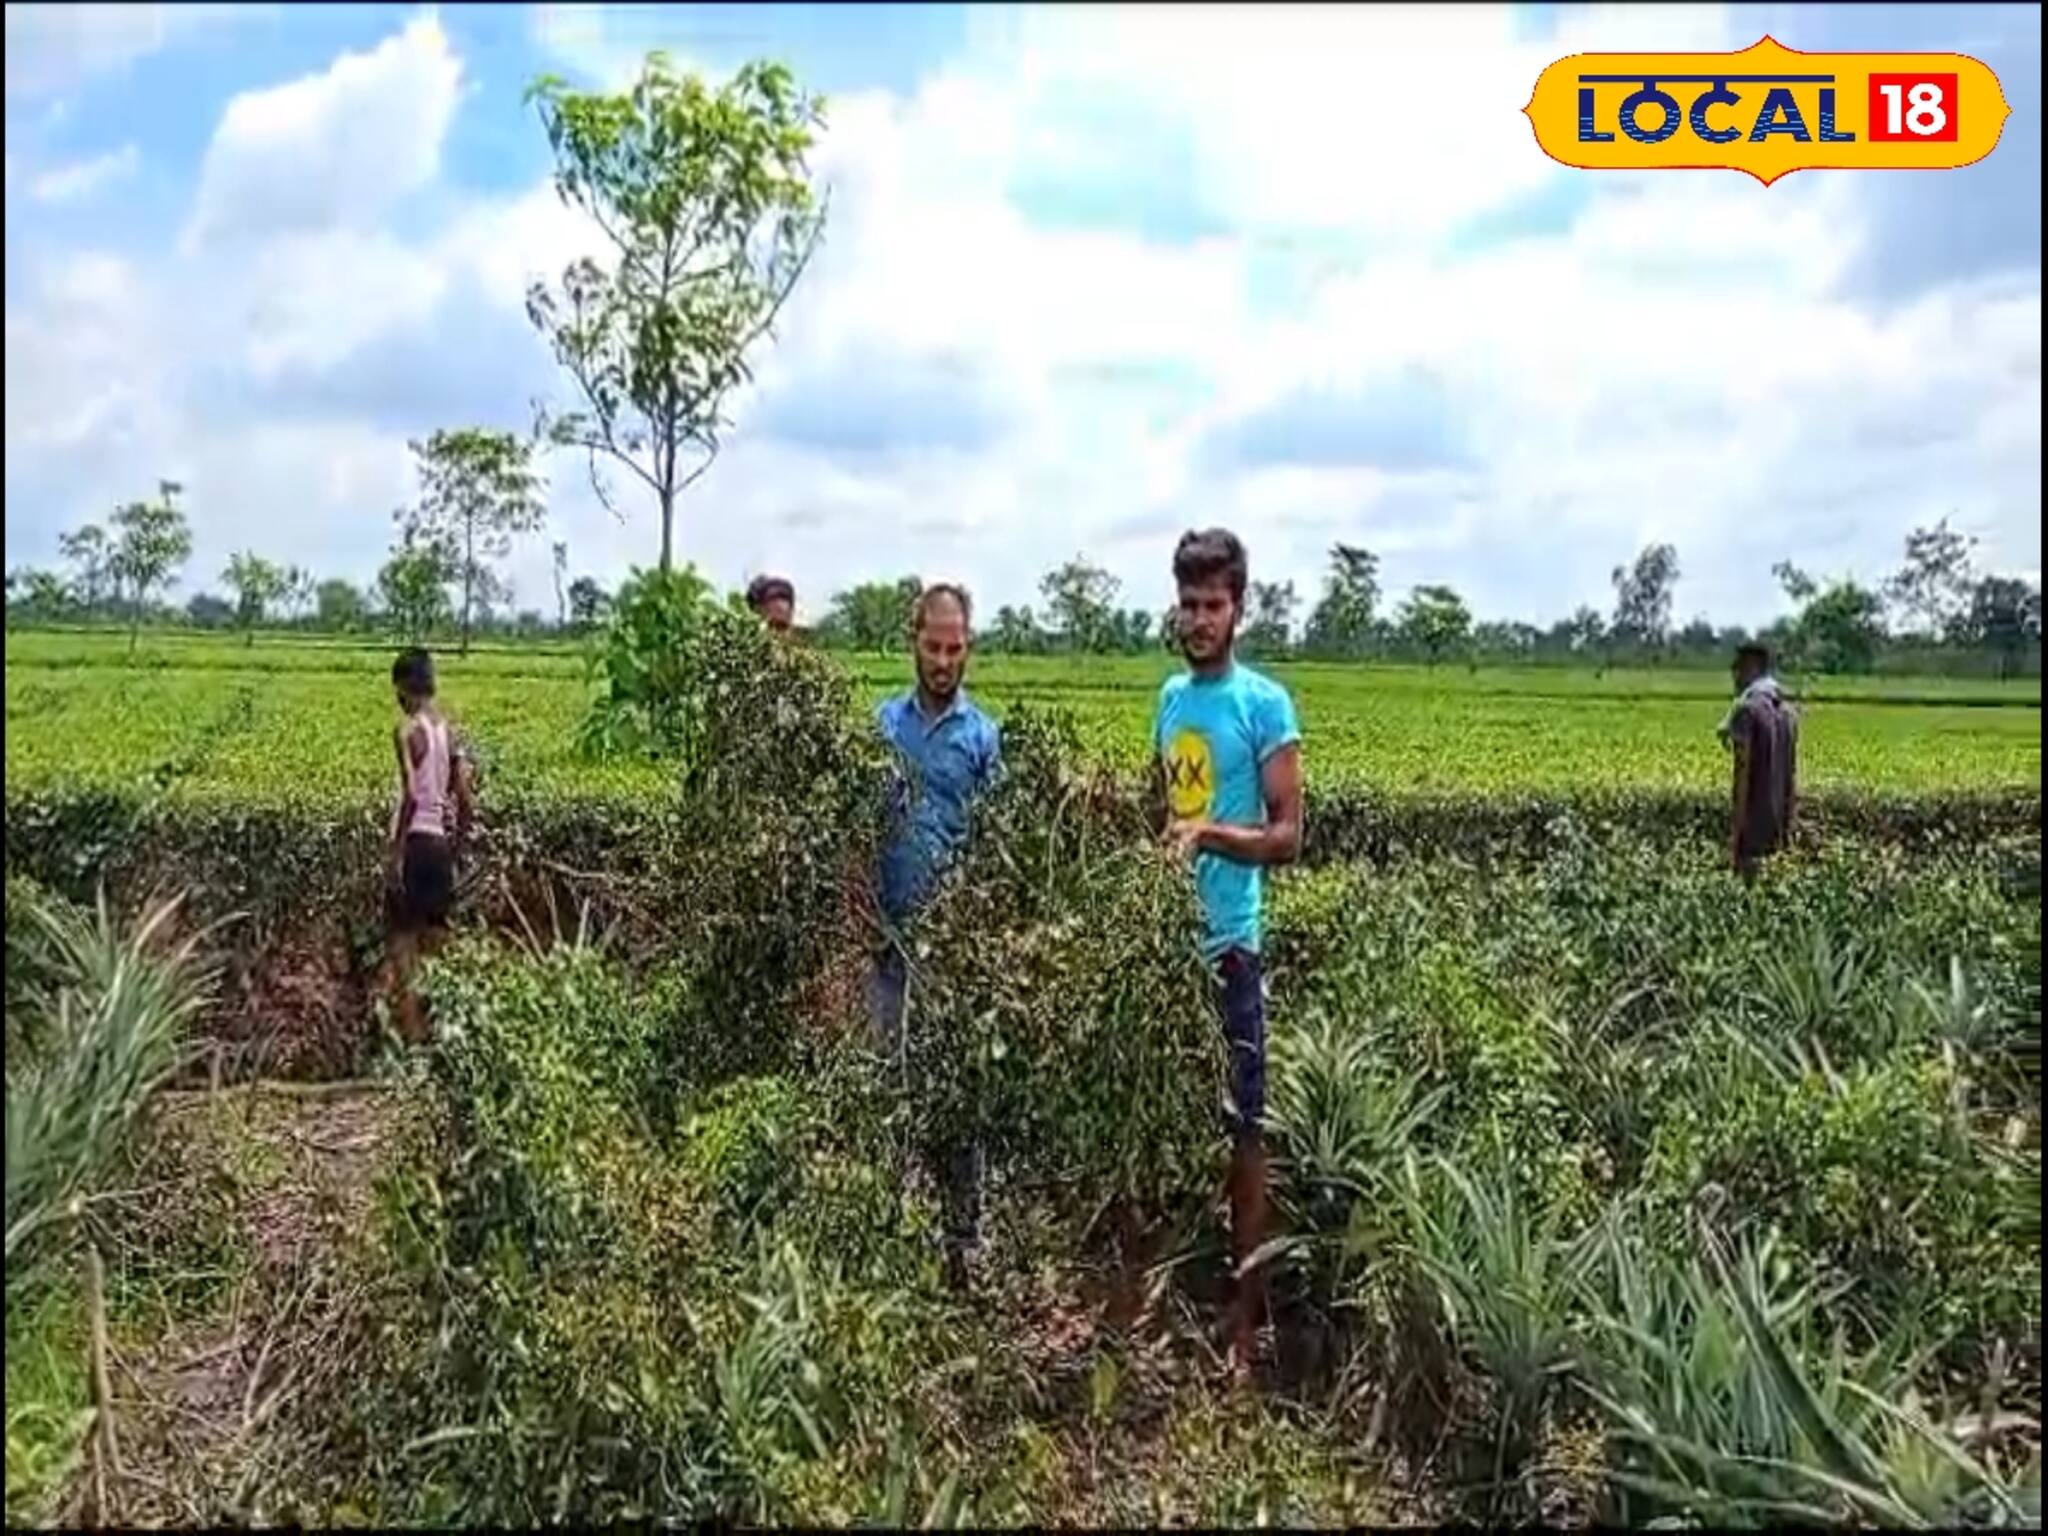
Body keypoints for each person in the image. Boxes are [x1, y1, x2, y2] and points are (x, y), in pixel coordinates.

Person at [1151, 528, 1303, 1382]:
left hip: (1231, 949)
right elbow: (1163, 811)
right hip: (1172, 949)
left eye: (1214, 604)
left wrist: (1209, 834)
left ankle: (1250, 1320)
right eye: (1189, 603)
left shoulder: (1265, 705)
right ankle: (1190, 1293)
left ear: (1239, 607)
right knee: (1180, 1126)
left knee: (1245, 1133)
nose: (1200, 618)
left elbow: (1287, 836)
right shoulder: (1170, 699)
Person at [872, 584, 1003, 1287]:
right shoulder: (882, 726)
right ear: (913, 641)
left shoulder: (983, 739)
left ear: (968, 648)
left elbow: (998, 844)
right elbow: (854, 828)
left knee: (957, 1094)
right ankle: (891, 1229)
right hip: (888, 948)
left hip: (954, 952)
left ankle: (964, 1240)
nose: (944, 660)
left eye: (955, 649)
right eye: (933, 646)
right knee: (888, 1087)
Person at [384, 648, 474, 1042]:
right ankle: (444, 1039)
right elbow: (466, 798)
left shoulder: (406, 731)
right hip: (439, 847)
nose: (397, 699)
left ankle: (414, 1043)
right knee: (439, 949)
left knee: (403, 949)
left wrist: (395, 853)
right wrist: (457, 845)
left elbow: (409, 797)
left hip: (415, 844)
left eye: (397, 690)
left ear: (405, 686)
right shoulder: (448, 731)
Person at [1718, 640, 1798, 881]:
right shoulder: (1788, 713)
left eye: (1737, 669)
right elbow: (1791, 779)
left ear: (1751, 667)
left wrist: (1736, 839)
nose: (1734, 676)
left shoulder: (1747, 711)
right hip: (1778, 834)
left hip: (1752, 835)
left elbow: (1742, 779)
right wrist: (1788, 834)